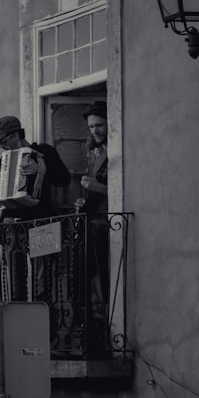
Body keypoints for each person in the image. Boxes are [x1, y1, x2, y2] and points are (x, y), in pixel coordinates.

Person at [0, 116, 70, 304]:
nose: (0, 146)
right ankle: (21, 329)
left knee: (43, 283)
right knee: (15, 286)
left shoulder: (44, 152)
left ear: (15, 135)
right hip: (12, 227)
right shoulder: (3, 160)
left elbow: (64, 180)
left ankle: (44, 329)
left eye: (3, 141)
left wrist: (41, 169)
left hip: (42, 223)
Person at [76, 100, 110, 357]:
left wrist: (95, 188)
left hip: (106, 227)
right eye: (91, 127)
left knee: (104, 283)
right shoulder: (96, 154)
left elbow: (124, 190)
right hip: (93, 226)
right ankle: (92, 335)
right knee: (88, 283)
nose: (95, 131)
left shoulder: (115, 153)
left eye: (99, 125)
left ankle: (106, 335)